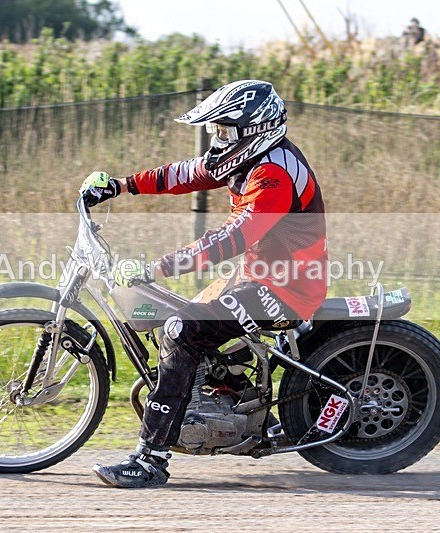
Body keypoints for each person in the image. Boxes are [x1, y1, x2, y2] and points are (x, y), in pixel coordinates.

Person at [79, 79, 328, 488]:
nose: (217, 138)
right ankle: (246, 410)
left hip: (287, 288)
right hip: (262, 274)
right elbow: (184, 173)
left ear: (256, 129)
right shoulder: (249, 158)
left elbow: (233, 237)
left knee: (182, 330)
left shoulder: (272, 174)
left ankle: (150, 460)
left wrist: (157, 267)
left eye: (225, 130)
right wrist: (121, 186)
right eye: (215, 130)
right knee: (183, 320)